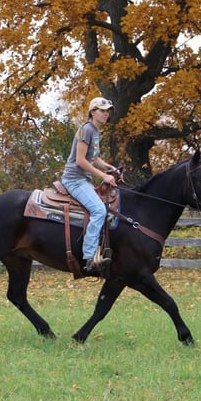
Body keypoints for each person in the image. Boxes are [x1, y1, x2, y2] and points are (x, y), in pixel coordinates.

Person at [61, 97, 120, 276]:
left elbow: (93, 158)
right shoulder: (86, 129)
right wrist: (104, 176)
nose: (106, 113)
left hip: (83, 180)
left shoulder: (95, 131)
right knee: (99, 211)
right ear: (93, 112)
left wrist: (110, 168)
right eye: (102, 110)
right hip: (74, 179)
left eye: (107, 110)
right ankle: (88, 258)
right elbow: (80, 160)